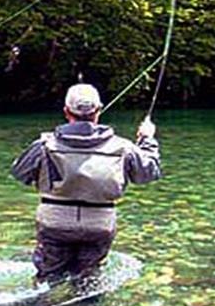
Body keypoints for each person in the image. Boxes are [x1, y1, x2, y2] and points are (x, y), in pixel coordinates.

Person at [11, 83, 161, 285]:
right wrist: (147, 140)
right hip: (99, 226)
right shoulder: (123, 147)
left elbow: (20, 173)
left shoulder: (44, 145)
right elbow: (149, 173)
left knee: (48, 279)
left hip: (54, 223)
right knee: (88, 280)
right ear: (98, 111)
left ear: (66, 111)